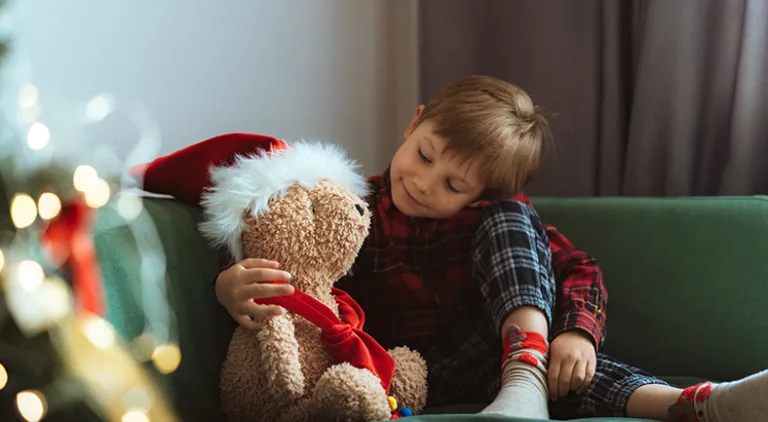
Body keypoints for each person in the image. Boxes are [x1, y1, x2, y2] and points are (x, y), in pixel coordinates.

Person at [212, 75, 767, 421]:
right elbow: (292, 257)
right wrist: (229, 282)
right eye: (425, 156)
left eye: (456, 185)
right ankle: (530, 366)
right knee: (537, 352)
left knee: (558, 346)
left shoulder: (490, 216)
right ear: (414, 124)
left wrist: (576, 332)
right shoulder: (350, 206)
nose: (426, 184)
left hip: (498, 353)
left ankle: (695, 404)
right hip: (402, 366)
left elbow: (576, 268)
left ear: (478, 192)